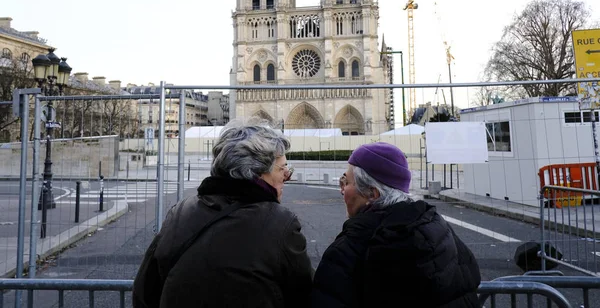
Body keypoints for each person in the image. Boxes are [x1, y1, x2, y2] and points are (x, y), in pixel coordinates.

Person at [133, 121, 313, 308]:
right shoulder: (280, 223)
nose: (287, 176)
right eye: (282, 168)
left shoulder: (180, 212)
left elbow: (145, 293)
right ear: (257, 172)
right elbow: (305, 295)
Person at [312, 142, 481, 308]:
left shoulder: (348, 250)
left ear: (373, 194)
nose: (342, 189)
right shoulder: (441, 231)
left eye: (346, 182)